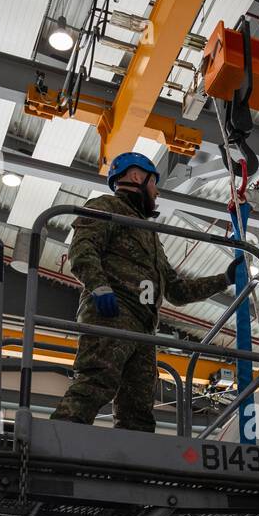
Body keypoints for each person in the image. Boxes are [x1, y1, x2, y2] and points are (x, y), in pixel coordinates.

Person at [50, 151, 244, 431]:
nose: (157, 192)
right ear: (136, 177)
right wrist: (100, 287)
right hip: (112, 312)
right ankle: (55, 442)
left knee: (138, 407)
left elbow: (176, 291)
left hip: (144, 329)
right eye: (154, 183)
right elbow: (82, 250)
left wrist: (224, 278)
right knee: (95, 382)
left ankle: (131, 467)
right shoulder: (105, 206)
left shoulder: (150, 236)